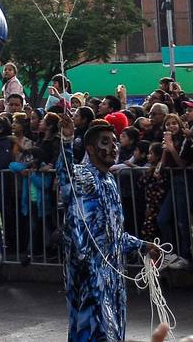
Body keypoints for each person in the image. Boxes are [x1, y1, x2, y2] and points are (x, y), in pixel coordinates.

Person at [58, 114, 160, 342]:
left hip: (112, 277)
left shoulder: (109, 181)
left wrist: (142, 245)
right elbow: (66, 178)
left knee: (113, 333)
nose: (113, 147)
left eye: (114, 141)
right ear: (91, 149)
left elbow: (115, 235)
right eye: (106, 142)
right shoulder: (83, 176)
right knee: (94, 332)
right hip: (89, 276)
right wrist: (65, 141)